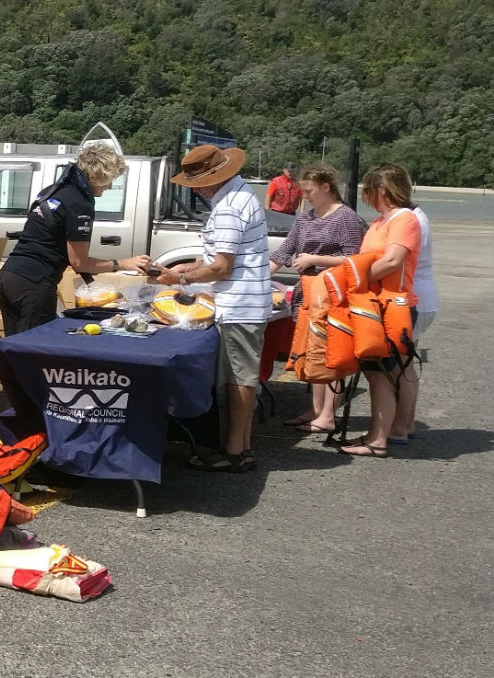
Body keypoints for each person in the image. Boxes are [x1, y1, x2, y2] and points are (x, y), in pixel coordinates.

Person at [154, 143, 272, 472]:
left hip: (239, 305)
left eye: (197, 184)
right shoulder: (238, 195)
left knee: (238, 378)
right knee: (240, 377)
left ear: (212, 179)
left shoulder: (230, 207)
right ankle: (240, 446)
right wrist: (180, 272)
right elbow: (212, 259)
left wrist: (180, 280)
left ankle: (235, 451)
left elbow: (220, 267)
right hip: (243, 302)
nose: (197, 191)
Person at [0, 143, 151, 336]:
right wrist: (123, 263)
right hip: (34, 283)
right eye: (110, 179)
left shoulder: (54, 190)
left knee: (13, 349)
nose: (110, 186)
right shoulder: (79, 203)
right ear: (98, 174)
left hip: (10, 275)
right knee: (34, 352)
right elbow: (79, 262)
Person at [267, 164, 367, 433]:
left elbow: (355, 258)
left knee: (332, 354)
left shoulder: (345, 218)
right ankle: (316, 410)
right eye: (303, 191)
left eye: (309, 191)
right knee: (313, 353)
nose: (305, 196)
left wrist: (315, 259)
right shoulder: (305, 218)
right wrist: (259, 278)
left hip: (334, 293)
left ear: (326, 187)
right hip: (308, 292)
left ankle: (328, 416)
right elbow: (283, 253)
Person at [339, 164, 422, 457]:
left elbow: (392, 261)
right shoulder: (382, 220)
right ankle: (379, 433)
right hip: (374, 305)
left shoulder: (404, 220)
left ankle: (378, 441)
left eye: (368, 191)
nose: (366, 196)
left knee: (383, 375)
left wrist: (351, 279)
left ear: (382, 190)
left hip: (391, 306)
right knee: (377, 374)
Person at [392, 196, 438, 443]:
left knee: (400, 366)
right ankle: (406, 423)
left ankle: (399, 426)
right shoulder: (419, 215)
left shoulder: (409, 220)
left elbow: (394, 259)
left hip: (414, 297)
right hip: (424, 295)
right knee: (406, 364)